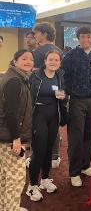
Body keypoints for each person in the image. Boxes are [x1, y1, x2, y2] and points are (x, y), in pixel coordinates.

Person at [62, 27, 91, 187]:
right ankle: (74, 171)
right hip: (76, 100)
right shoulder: (70, 56)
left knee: (90, 134)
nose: (85, 40)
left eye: (88, 37)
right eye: (82, 37)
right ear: (78, 39)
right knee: (76, 137)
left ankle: (85, 165)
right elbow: (62, 76)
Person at [26, 50, 65, 202]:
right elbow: (27, 97)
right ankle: (32, 186)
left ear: (59, 62)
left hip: (53, 116)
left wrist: (63, 96)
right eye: (51, 59)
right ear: (45, 60)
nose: (53, 62)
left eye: (56, 60)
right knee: (39, 150)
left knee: (49, 149)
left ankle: (45, 179)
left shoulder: (59, 76)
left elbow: (62, 93)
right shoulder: (35, 76)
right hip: (38, 116)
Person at [0, 49, 34, 211]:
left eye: (31, 59)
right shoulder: (14, 81)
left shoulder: (16, 77)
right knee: (15, 179)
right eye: (24, 59)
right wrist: (16, 138)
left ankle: (6, 206)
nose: (28, 62)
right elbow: (10, 112)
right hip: (10, 137)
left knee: (5, 176)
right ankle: (11, 208)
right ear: (15, 61)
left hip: (5, 135)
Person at [32, 22, 62, 168]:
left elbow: (31, 73)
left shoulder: (38, 52)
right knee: (53, 127)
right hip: (56, 94)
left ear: (43, 34)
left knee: (39, 129)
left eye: (36, 33)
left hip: (40, 96)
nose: (35, 36)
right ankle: (55, 156)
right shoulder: (58, 50)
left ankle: (37, 157)